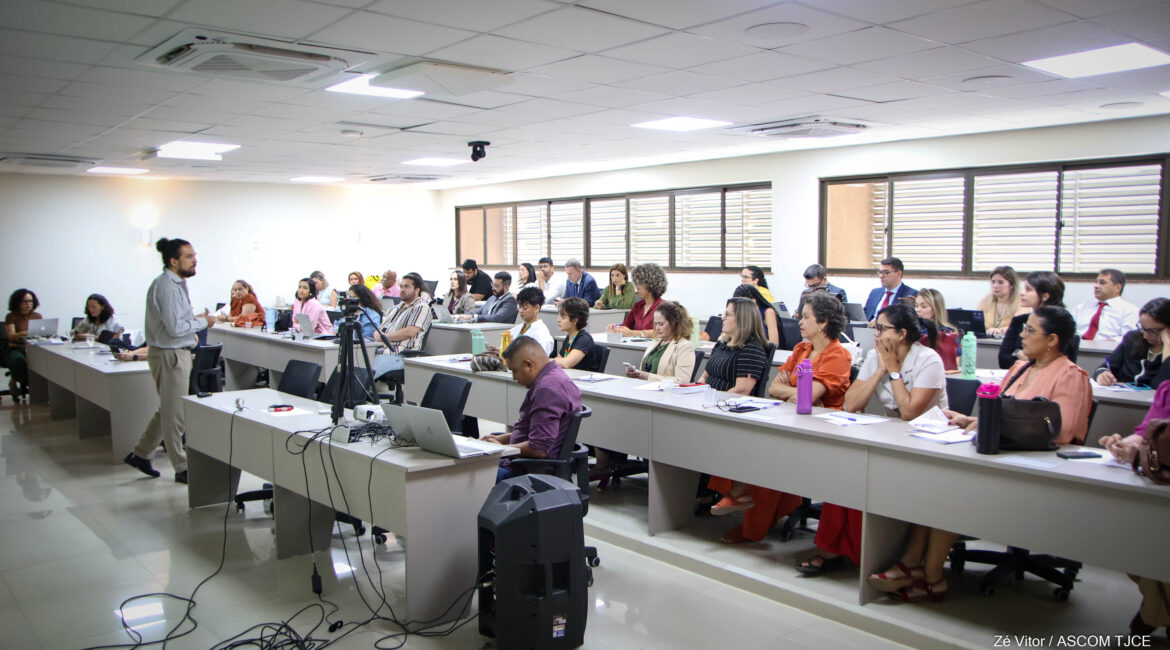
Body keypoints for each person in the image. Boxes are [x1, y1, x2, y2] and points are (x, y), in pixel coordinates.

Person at [870, 306, 1090, 604]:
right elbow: (1000, 415)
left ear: (1052, 340)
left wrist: (996, 425)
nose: (1022, 336)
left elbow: (1062, 432)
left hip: (1033, 470)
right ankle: (914, 567)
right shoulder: (1021, 368)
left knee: (951, 489)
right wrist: (970, 420)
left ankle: (930, 574)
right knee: (933, 484)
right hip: (998, 455)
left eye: (1030, 331)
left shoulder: (1070, 375)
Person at [710, 293, 852, 545]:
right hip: (791, 418)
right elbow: (774, 388)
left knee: (769, 454)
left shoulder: (838, 354)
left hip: (821, 428)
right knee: (743, 438)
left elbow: (811, 395)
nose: (799, 321)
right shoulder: (801, 349)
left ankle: (749, 523)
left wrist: (793, 392)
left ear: (823, 322)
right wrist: (793, 393)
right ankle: (736, 492)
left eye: (806, 317)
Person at [123, 238, 216, 484]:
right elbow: (176, 328)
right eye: (189, 256)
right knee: (176, 414)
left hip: (175, 352)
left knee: (169, 408)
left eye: (194, 255)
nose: (195, 260)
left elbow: (176, 322)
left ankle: (141, 454)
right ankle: (182, 467)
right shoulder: (166, 286)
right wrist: (205, 322)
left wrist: (194, 322)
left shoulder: (176, 284)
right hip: (170, 355)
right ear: (173, 261)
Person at [1100, 381, 1170, 639]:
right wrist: (1124, 445)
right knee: (1137, 538)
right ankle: (1157, 611)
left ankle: (1152, 613)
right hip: (1159, 482)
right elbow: (1145, 432)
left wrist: (1141, 453)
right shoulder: (1167, 388)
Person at [483, 336, 582, 483]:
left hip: (528, 471)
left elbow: (539, 448)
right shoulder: (554, 378)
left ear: (529, 365)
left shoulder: (547, 390)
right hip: (521, 464)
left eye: (514, 371)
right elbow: (537, 432)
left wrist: (503, 450)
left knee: (460, 477)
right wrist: (501, 440)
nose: (514, 378)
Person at [698, 297, 769, 394]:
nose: (723, 318)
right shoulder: (721, 344)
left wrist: (714, 400)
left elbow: (741, 390)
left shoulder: (752, 350)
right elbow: (704, 377)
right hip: (707, 400)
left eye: (727, 315)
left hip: (724, 404)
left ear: (742, 319)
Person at [1094, 298, 1170, 389]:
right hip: (1123, 399)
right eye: (1143, 328)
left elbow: (1162, 386)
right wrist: (1102, 375)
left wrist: (1167, 342)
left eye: (1153, 331)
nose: (1145, 336)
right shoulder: (1132, 339)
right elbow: (1105, 367)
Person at [368, 272, 433, 380]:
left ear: (417, 290)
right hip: (380, 351)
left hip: (400, 355)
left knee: (365, 376)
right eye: (401, 286)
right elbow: (377, 330)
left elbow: (409, 332)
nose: (402, 289)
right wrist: (379, 336)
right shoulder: (395, 308)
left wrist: (383, 337)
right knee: (355, 367)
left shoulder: (421, 308)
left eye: (407, 287)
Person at [998, 271, 1065, 369]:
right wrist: (1021, 356)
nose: (1022, 293)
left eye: (1028, 289)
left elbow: (1062, 363)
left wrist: (1030, 359)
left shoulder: (1062, 323)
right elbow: (1003, 360)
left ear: (1045, 296)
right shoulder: (1019, 321)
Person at [624, 300, 696, 384]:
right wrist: (635, 374)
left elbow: (682, 381)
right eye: (655, 324)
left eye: (661, 324)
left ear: (674, 324)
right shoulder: (656, 342)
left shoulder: (684, 346)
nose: (657, 328)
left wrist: (646, 376)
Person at [1073, 268, 1140, 342]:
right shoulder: (1081, 308)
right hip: (1078, 349)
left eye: (1102, 282)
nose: (1096, 286)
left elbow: (1129, 338)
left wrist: (1108, 342)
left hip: (1109, 351)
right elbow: (1070, 331)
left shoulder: (1129, 310)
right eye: (1096, 282)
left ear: (1117, 287)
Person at [607, 263, 667, 338]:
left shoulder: (664, 308)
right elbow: (626, 325)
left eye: (640, 283)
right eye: (636, 283)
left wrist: (632, 333)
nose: (637, 287)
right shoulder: (638, 306)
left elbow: (662, 332)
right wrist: (615, 327)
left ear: (651, 284)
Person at [4, 289, 42, 396]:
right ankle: (22, 381)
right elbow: (11, 336)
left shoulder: (37, 316)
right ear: (17, 302)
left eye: (30, 301)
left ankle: (37, 387)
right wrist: (25, 333)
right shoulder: (11, 316)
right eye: (24, 302)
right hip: (16, 348)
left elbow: (40, 333)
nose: (28, 304)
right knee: (19, 360)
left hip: (33, 347)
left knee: (45, 360)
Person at [496, 287, 554, 356]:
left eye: (525, 308)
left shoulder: (541, 334)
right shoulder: (518, 328)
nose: (521, 311)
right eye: (520, 307)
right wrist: (500, 350)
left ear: (536, 308)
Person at [914, 288, 960, 372]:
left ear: (936, 309)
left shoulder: (947, 332)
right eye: (916, 306)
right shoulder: (913, 329)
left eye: (923, 306)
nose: (918, 310)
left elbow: (954, 363)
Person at [976, 266, 1028, 337]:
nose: (995, 286)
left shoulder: (1022, 302)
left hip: (1010, 340)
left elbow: (1019, 327)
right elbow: (976, 324)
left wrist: (1000, 331)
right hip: (986, 341)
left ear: (1012, 285)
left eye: (1000, 282)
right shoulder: (985, 300)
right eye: (993, 282)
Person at [554, 298, 602, 372]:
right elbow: (559, 361)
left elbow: (567, 363)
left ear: (575, 320)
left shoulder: (584, 339)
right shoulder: (569, 337)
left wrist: (544, 361)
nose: (558, 320)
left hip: (584, 381)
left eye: (563, 317)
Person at [863, 257, 917, 322]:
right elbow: (865, 315)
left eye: (886, 272)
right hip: (869, 330)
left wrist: (878, 324)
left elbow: (908, 322)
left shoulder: (910, 295)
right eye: (880, 272)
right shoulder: (875, 293)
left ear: (898, 273)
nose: (881, 276)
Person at [733, 284, 781, 348]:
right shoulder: (743, 313)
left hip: (766, 351)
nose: (740, 309)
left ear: (753, 301)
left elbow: (774, 343)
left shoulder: (768, 312)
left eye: (742, 306)